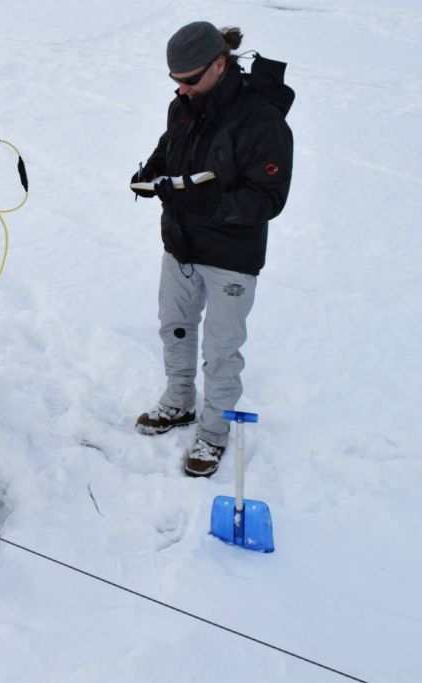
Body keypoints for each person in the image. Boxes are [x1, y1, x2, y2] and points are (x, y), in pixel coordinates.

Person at [131, 22, 294, 476]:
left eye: (190, 79)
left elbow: (269, 198)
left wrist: (208, 203)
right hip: (180, 244)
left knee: (223, 349)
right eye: (175, 81)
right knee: (175, 327)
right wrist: (151, 172)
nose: (181, 90)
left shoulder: (262, 120)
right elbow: (168, 151)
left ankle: (214, 431)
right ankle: (179, 401)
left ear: (221, 65)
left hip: (231, 257)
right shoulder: (181, 107)